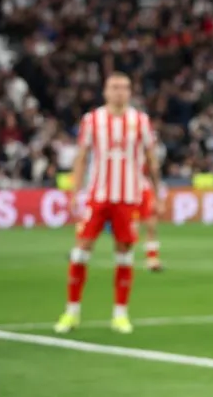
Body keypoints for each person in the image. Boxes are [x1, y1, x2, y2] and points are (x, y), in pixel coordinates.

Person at [54, 72, 160, 334]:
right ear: (105, 91)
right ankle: (71, 312)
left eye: (124, 87)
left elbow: (151, 158)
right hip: (98, 196)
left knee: (124, 253)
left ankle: (120, 314)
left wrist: (157, 194)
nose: (119, 92)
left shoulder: (140, 121)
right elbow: (81, 156)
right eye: (114, 87)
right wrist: (75, 192)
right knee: (81, 250)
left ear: (130, 92)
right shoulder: (92, 120)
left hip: (128, 197)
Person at [135, 175, 167, 271]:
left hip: (145, 190)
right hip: (131, 190)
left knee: (151, 225)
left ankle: (152, 259)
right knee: (132, 228)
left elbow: (154, 173)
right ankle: (126, 258)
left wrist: (158, 198)